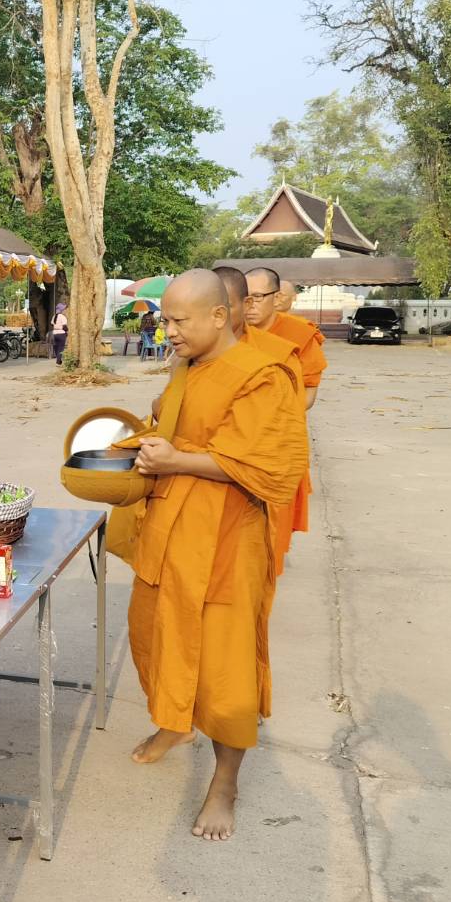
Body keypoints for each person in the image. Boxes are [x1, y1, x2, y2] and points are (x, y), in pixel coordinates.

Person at [127, 270, 308, 842]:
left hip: (228, 536)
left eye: (179, 320)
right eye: (165, 319)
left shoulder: (263, 376)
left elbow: (267, 466)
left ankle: (225, 782)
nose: (169, 330)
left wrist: (175, 459)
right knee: (158, 632)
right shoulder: (188, 366)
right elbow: (174, 424)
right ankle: (175, 723)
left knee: (224, 664)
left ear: (217, 316)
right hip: (172, 526)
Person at [216, 266, 304, 577]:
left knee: (250, 574)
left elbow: (284, 425)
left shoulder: (277, 356)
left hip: (253, 484)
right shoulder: (189, 355)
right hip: (203, 494)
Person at [244, 267, 327, 553]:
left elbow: (308, 394)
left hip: (277, 437)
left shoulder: (297, 335)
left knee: (275, 522)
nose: (249, 305)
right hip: (237, 439)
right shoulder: (230, 335)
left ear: (276, 298)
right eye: (245, 298)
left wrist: (265, 420)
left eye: (257, 297)